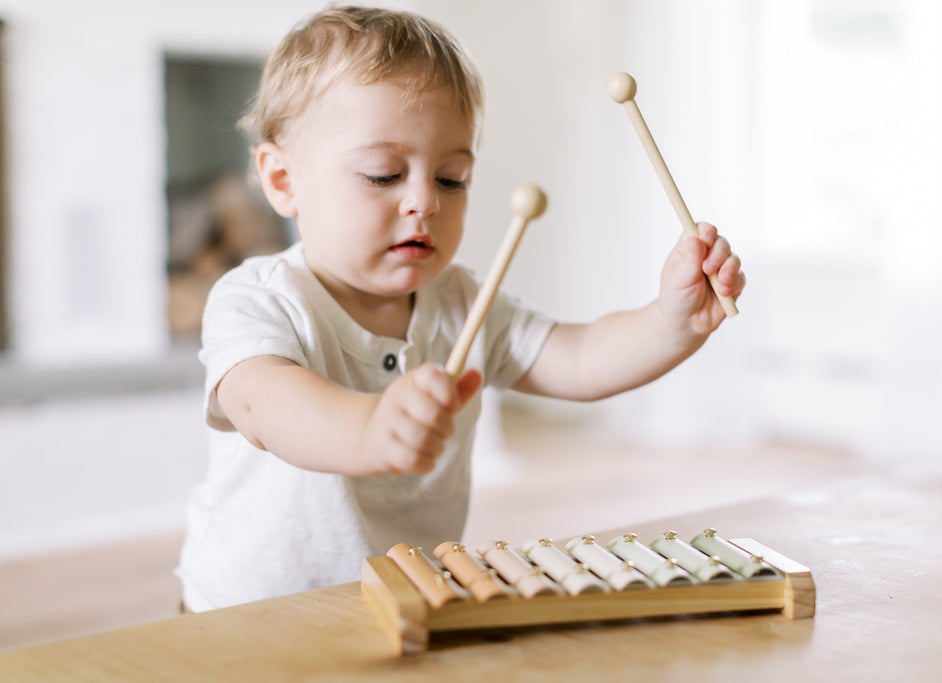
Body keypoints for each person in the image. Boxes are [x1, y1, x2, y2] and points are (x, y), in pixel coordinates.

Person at [177, 5, 745, 613]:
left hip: (401, 603)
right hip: (245, 615)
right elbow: (266, 404)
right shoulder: (257, 298)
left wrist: (669, 322)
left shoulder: (464, 302)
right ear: (283, 180)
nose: (424, 200)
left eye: (452, 178)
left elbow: (577, 359)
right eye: (382, 174)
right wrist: (370, 429)